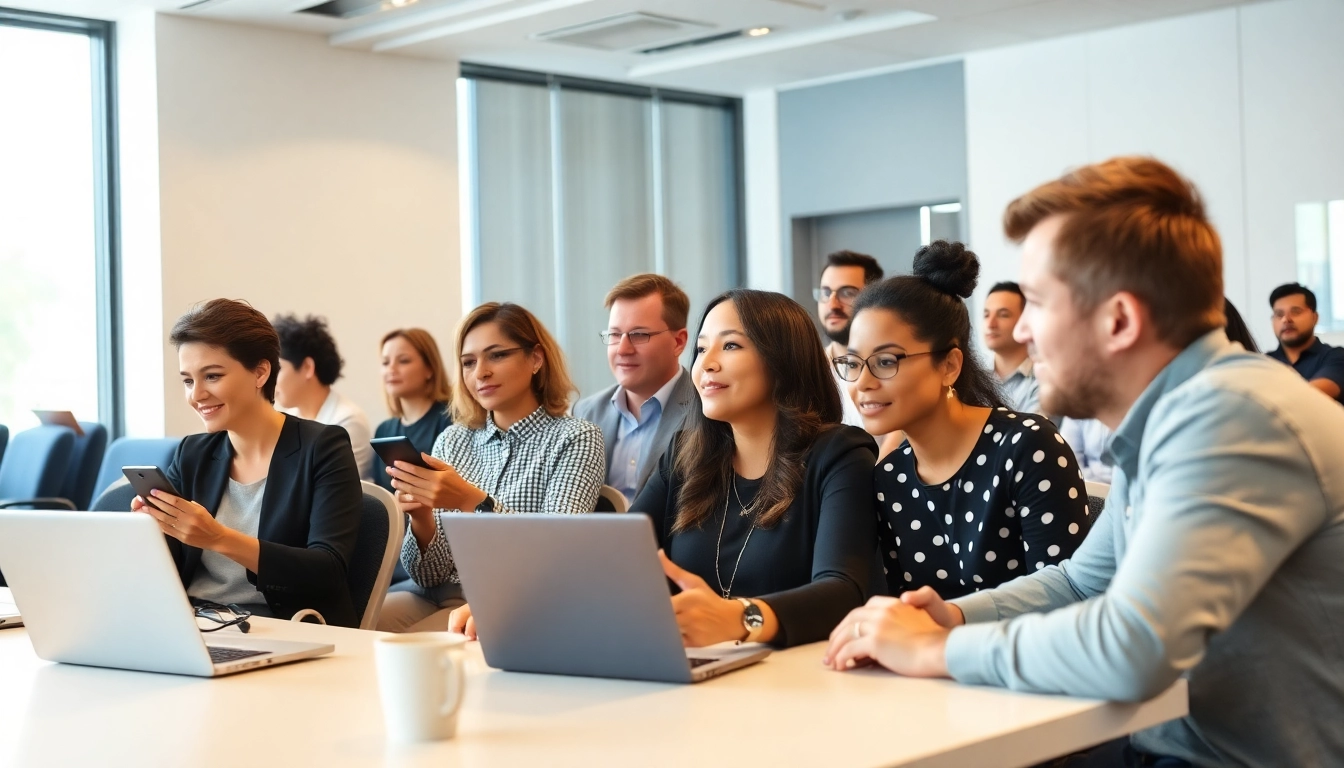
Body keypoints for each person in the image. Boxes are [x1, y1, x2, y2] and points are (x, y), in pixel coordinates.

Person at [823, 157, 1344, 767]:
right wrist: (953, 616)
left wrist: (937, 652)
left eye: (1037, 305)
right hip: (1167, 747)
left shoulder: (1235, 416)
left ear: (1118, 319)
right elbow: (1081, 581)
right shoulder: (1173, 418)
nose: (1022, 333)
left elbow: (1135, 647)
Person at [453, 290, 880, 647]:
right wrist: (518, 601)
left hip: (798, 681)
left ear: (782, 359)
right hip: (697, 670)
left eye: (730, 345)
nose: (706, 364)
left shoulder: (838, 454)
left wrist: (742, 618)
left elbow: (844, 591)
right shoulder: (688, 454)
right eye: (700, 349)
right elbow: (612, 556)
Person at [841, 240, 1089, 599]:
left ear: (949, 365)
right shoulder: (888, 478)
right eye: (852, 363)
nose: (863, 382)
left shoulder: (1028, 447)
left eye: (885, 361)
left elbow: (1066, 599)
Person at [133, 299, 364, 627]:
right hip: (192, 623)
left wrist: (219, 538)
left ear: (260, 372)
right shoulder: (192, 453)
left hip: (282, 627)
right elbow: (169, 567)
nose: (196, 395)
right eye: (188, 380)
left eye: (211, 376)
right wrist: (151, 532)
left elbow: (327, 571)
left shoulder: (323, 447)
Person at [377, 302, 605, 632]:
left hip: (519, 597)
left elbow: (559, 550)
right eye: (468, 362)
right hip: (435, 593)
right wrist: (422, 518)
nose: (480, 372)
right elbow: (427, 576)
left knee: (409, 651)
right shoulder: (454, 439)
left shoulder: (574, 437)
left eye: (496, 355)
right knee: (357, 627)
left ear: (536, 359)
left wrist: (472, 501)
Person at [572, 274, 696, 504]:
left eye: (639, 335)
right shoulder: (585, 413)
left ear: (678, 342)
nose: (623, 349)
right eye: (615, 334)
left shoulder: (705, 412)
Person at [815, 250, 902, 457]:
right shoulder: (810, 369)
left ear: (874, 298)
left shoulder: (898, 364)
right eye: (826, 293)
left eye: (847, 293)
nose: (832, 304)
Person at [272, 314, 375, 480]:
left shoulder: (347, 421)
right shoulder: (282, 417)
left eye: (278, 369)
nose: (269, 379)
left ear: (307, 367)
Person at [372, 328, 453, 495]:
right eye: (385, 362)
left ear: (429, 369)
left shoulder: (450, 421)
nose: (391, 369)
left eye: (403, 361)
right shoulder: (383, 430)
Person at [1266, 282, 1344, 403]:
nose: (1286, 319)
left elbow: (1311, 396)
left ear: (1314, 317)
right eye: (1279, 314)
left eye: (1296, 312)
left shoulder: (1335, 357)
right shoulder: (1264, 362)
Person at [983, 281, 1042, 415]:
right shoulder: (974, 377)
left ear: (1026, 321)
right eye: (986, 315)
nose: (990, 324)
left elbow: (1032, 434)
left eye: (1003, 315)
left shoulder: (1042, 380)